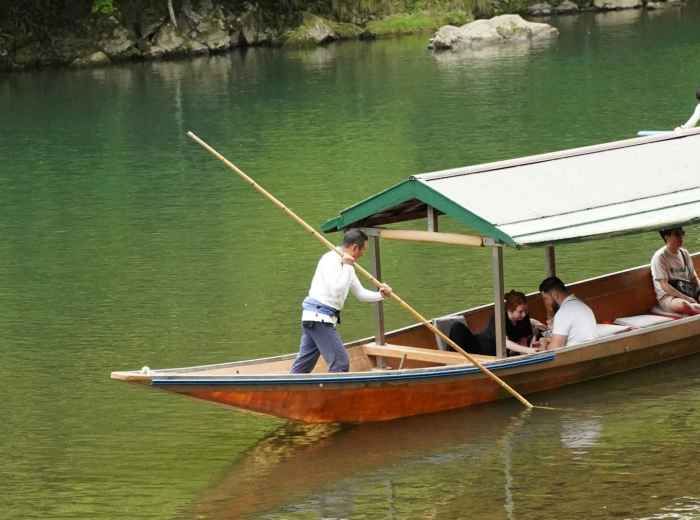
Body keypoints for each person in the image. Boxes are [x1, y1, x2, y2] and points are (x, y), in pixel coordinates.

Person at [290, 229, 392, 374]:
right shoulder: (330, 260)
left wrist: (381, 295)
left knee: (303, 366)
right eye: (363, 250)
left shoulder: (348, 264)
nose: (362, 254)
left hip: (316, 319)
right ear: (355, 247)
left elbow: (361, 294)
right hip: (318, 318)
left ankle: (282, 393)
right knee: (340, 363)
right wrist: (348, 266)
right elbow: (337, 290)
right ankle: (332, 396)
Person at [448, 290, 545, 356]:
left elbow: (523, 340)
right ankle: (451, 360)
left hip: (499, 355)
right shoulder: (499, 317)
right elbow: (504, 342)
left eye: (525, 311)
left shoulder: (523, 317)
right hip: (479, 349)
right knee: (457, 327)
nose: (524, 314)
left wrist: (526, 355)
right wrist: (529, 350)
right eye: (520, 312)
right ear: (509, 310)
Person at [536, 276, 597, 350]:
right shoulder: (581, 305)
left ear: (554, 294)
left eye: (546, 298)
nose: (546, 303)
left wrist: (544, 344)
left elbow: (555, 349)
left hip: (577, 355)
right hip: (589, 350)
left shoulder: (564, 312)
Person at [650, 226, 700, 315]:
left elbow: (694, 277)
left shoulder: (684, 253)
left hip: (689, 291)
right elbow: (664, 285)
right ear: (666, 237)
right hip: (669, 297)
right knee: (685, 305)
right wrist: (686, 298)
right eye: (677, 234)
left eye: (682, 233)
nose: (681, 237)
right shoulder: (660, 257)